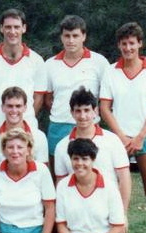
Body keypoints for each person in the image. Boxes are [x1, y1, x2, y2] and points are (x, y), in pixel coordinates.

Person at [100, 22, 146, 233]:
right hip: (118, 140)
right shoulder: (110, 71)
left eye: (132, 43)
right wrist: (121, 136)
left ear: (140, 43)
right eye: (124, 43)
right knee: (116, 194)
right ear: (119, 45)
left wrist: (139, 137)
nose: (128, 47)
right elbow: (105, 107)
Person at [54, 86, 132, 233]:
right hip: (78, 218)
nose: (83, 116)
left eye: (87, 110)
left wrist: (123, 214)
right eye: (78, 111)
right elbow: (61, 184)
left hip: (107, 213)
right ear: (72, 113)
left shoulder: (112, 141)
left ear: (95, 111)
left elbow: (124, 179)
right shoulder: (62, 146)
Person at [52, 138, 125, 233]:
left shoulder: (109, 186)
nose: (80, 163)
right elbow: (61, 226)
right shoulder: (63, 186)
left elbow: (119, 228)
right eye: (75, 158)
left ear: (93, 160)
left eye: (85, 159)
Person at [45, 15, 109, 169]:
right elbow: (48, 99)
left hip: (89, 125)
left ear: (84, 36)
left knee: (90, 172)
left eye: (75, 36)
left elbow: (105, 97)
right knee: (57, 175)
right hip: (58, 126)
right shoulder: (49, 64)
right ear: (61, 37)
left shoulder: (99, 62)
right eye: (67, 36)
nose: (71, 40)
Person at [0, 8, 47, 135]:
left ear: (24, 28)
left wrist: (20, 118)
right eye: (8, 27)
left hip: (27, 131)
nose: (12, 31)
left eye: (16, 27)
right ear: (1, 28)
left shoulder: (37, 61)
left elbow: (38, 98)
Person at [0, 86, 48, 177]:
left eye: (18, 106)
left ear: (25, 108)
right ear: (2, 108)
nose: (14, 110)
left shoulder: (40, 137)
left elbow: (43, 176)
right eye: (9, 106)